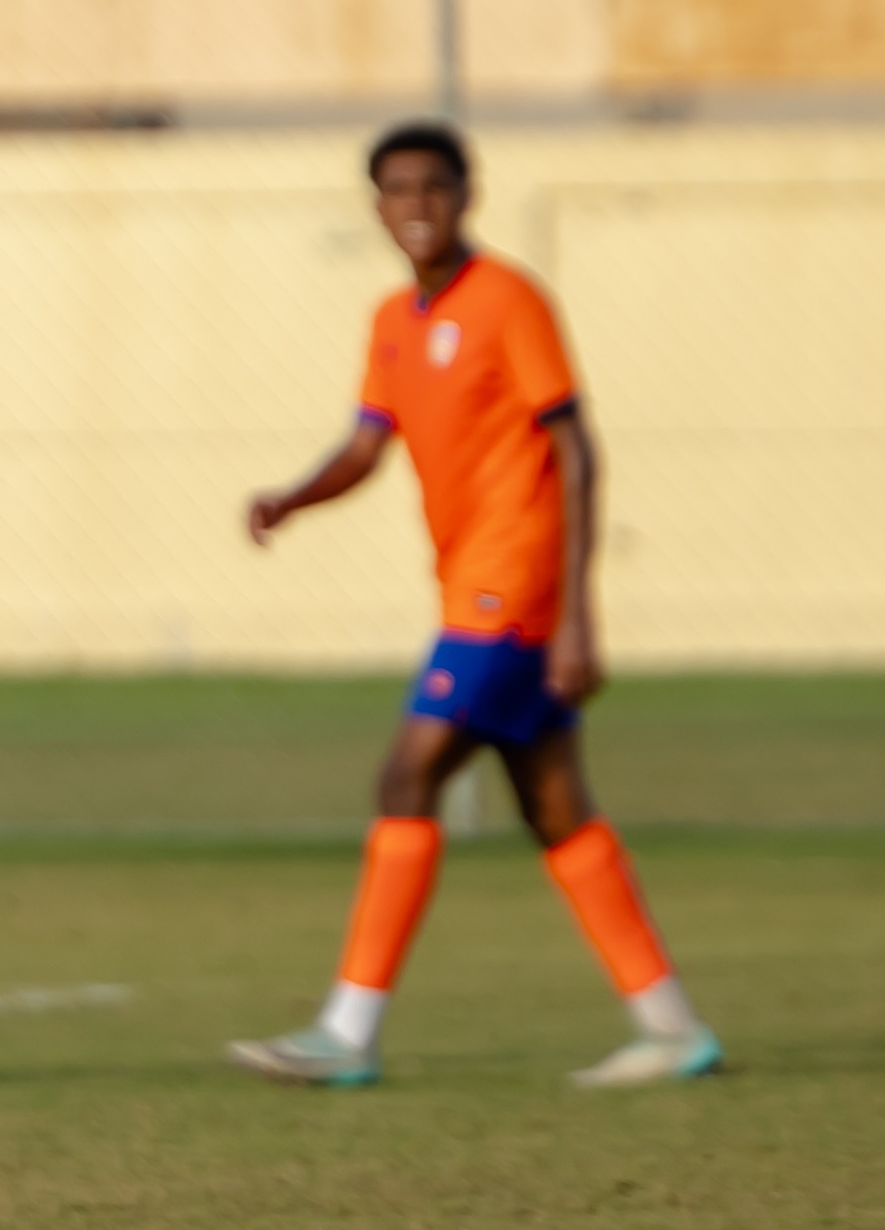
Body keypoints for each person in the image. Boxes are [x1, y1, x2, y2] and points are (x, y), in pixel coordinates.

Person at [227, 122, 720, 1091]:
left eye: (433, 187)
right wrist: (293, 495)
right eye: (396, 189)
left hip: (516, 582)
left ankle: (347, 1029)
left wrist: (579, 610)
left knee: (407, 776)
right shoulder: (391, 321)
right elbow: (368, 445)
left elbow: (576, 447)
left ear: (468, 194)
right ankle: (672, 1026)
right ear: (376, 206)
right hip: (470, 582)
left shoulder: (509, 300)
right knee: (556, 806)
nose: (416, 205)